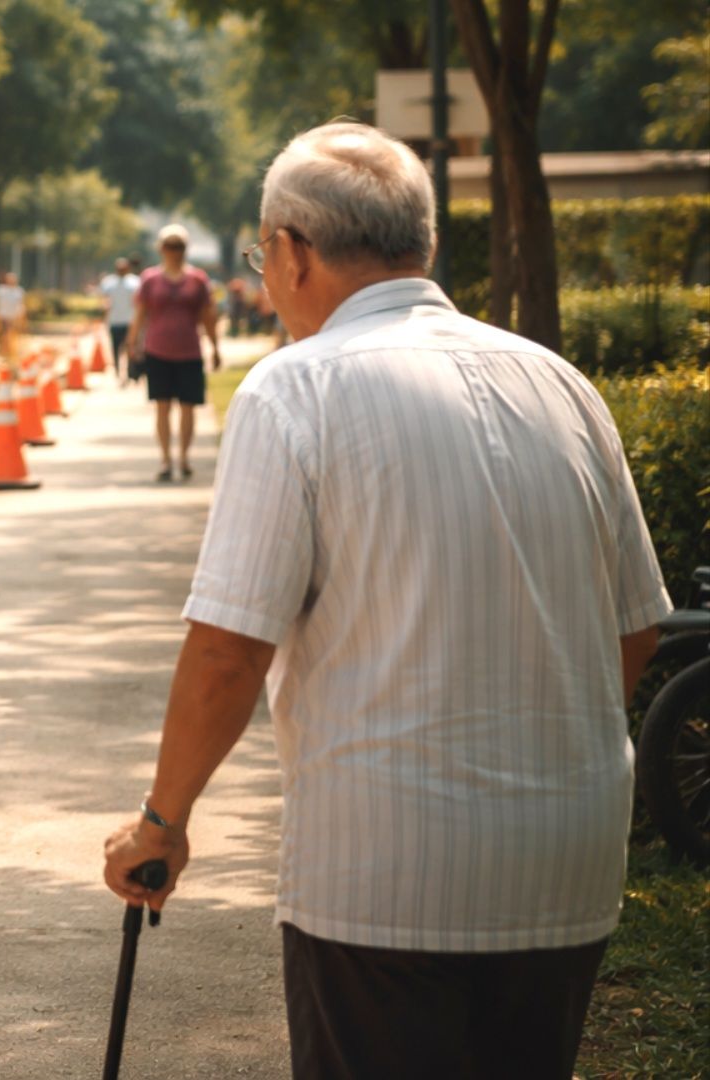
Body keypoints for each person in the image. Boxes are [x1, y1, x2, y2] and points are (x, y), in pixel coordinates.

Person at [101, 121, 670, 1080]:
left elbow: (228, 651)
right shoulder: (564, 386)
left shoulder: (296, 391)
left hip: (385, 879)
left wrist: (161, 823)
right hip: (567, 866)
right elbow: (635, 630)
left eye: (261, 256)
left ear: (290, 252)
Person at [126, 224, 219, 482]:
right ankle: (166, 458)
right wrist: (132, 345)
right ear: (161, 249)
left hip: (190, 350)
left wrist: (215, 346)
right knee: (162, 406)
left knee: (188, 407)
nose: (174, 251)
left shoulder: (198, 279)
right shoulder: (150, 279)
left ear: (185, 249)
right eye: (169, 246)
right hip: (158, 350)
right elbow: (140, 314)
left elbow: (207, 316)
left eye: (178, 246)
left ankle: (184, 458)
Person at [98, 257, 140, 384]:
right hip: (114, 321)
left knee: (129, 348)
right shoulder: (108, 283)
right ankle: (117, 370)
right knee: (115, 348)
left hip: (130, 322)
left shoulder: (135, 282)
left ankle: (128, 373)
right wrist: (104, 318)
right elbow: (104, 301)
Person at [0, 271, 26, 360]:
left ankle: (11, 353)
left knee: (12, 336)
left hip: (14, 317)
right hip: (2, 317)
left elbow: (21, 304)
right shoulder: (0, 290)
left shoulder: (19, 291)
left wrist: (22, 318)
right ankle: (2, 352)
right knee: (1, 335)